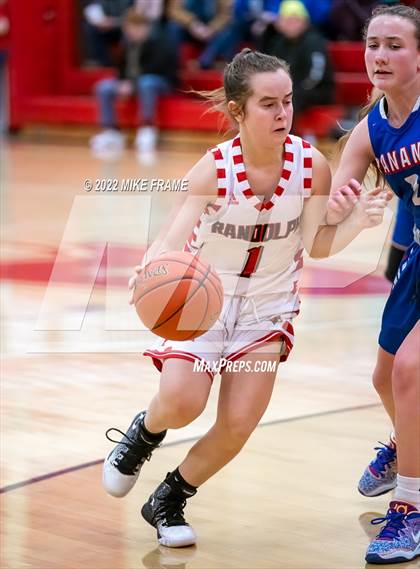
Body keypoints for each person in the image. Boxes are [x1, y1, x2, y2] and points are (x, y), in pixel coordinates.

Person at [103, 49, 388, 548]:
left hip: (267, 307)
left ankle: (168, 499)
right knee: (182, 403)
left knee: (238, 423)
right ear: (238, 110)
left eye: (288, 101)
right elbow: (171, 238)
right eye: (268, 104)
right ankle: (144, 433)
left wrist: (356, 223)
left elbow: (317, 244)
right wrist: (150, 269)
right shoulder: (213, 169)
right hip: (204, 302)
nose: (283, 113)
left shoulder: (311, 166)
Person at [330, 4, 419, 564]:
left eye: (395, 46)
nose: (380, 56)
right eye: (372, 45)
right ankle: (407, 445)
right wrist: (343, 203)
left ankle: (410, 509)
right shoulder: (370, 129)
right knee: (385, 377)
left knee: (411, 369)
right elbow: (335, 202)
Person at [90, 8, 178, 160]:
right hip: (133, 82)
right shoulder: (127, 44)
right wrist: (122, 82)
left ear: (145, 27)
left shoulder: (160, 42)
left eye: (135, 28)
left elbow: (158, 68)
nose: (131, 32)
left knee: (146, 83)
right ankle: (110, 131)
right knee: (104, 87)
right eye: (129, 28)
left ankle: (147, 128)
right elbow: (120, 69)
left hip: (161, 82)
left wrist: (132, 83)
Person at [260, 0, 334, 122]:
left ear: (305, 22)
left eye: (295, 20)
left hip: (316, 91)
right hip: (289, 89)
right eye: (286, 20)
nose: (290, 25)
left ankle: (283, 132)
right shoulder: (278, 43)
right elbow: (270, 69)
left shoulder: (314, 42)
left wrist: (292, 90)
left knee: (288, 101)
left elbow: (316, 76)